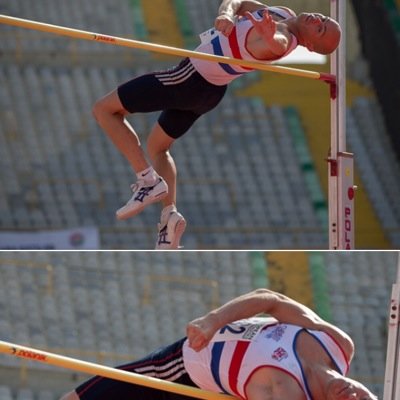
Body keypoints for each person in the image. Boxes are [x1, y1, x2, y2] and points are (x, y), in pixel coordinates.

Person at [92, 0, 342, 249]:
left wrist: (270, 38)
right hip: (210, 91)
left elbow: (276, 44)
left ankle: (148, 181)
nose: (318, 20)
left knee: (104, 110)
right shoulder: (284, 13)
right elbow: (239, 1)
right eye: (324, 19)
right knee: (158, 147)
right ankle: (169, 216)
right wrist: (227, 14)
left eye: (320, 29)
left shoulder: (284, 39)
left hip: (189, 80)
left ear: (309, 45)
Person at [60, 289, 377, 400]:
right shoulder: (338, 345)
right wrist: (214, 319)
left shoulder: (284, 392)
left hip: (184, 371)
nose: (354, 397)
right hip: (201, 356)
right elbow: (272, 299)